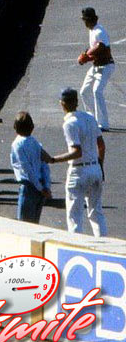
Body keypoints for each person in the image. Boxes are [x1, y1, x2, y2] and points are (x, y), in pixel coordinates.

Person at [48, 88, 108, 236]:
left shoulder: (69, 124)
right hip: (95, 168)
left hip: (79, 171)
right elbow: (101, 145)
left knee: (74, 215)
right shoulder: (90, 118)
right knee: (96, 212)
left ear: (62, 103)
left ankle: (76, 245)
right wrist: (100, 165)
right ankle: (103, 243)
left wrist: (53, 160)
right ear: (76, 102)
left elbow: (76, 152)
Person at [9, 111, 52, 224]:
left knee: (24, 224)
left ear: (15, 127)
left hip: (28, 187)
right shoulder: (36, 143)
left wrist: (40, 188)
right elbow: (44, 165)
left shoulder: (17, 144)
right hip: (40, 185)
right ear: (32, 127)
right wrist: (46, 186)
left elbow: (27, 169)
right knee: (35, 223)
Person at [78, 6, 113, 131]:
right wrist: (85, 54)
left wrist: (86, 56)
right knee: (84, 91)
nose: (84, 23)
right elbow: (93, 47)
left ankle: (103, 124)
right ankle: (92, 120)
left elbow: (101, 47)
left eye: (85, 20)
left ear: (91, 19)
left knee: (97, 91)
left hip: (106, 66)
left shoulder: (99, 31)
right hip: (96, 67)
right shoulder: (92, 31)